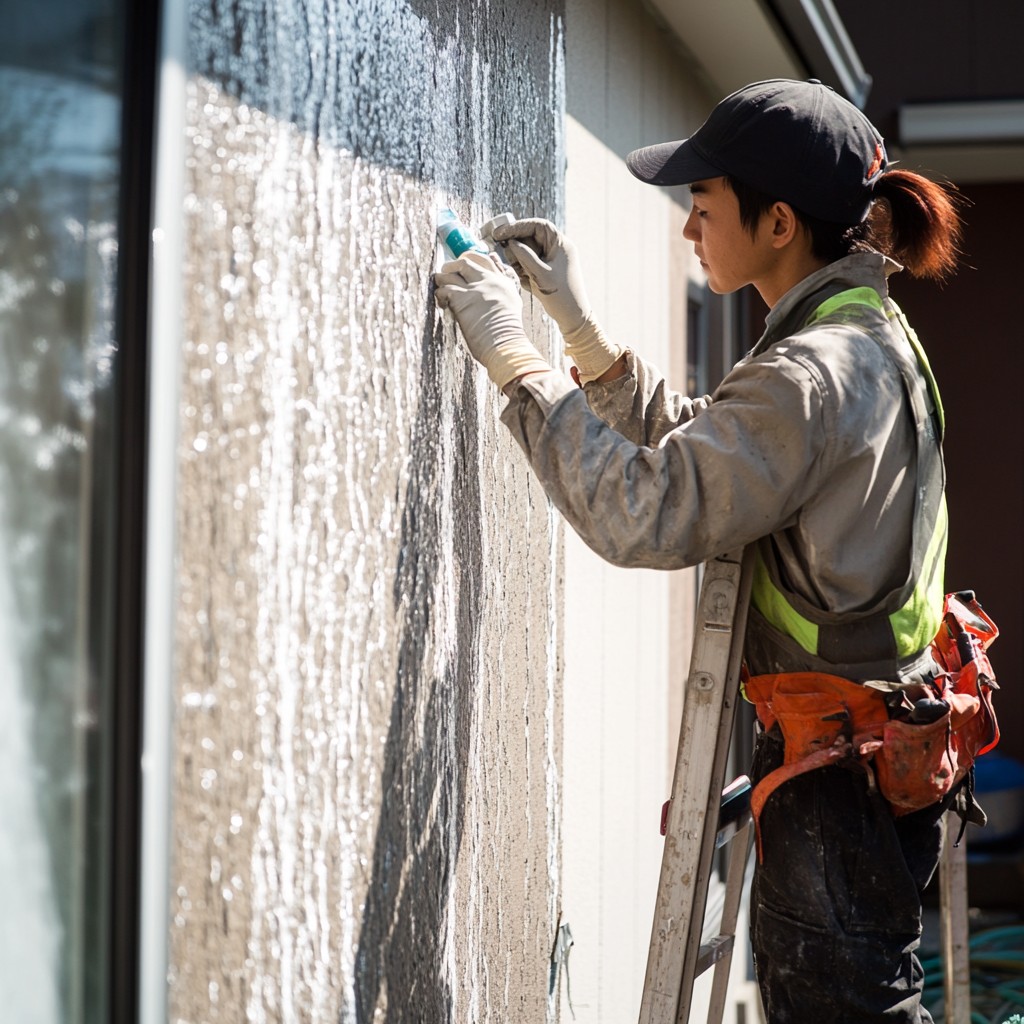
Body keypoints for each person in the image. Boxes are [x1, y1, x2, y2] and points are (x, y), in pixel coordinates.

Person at [434, 78, 974, 1023]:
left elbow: (651, 508)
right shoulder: (863, 333)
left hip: (837, 780)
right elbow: (723, 455)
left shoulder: (811, 372)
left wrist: (516, 360)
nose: (688, 227)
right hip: (877, 748)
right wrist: (581, 336)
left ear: (778, 223)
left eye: (703, 204)